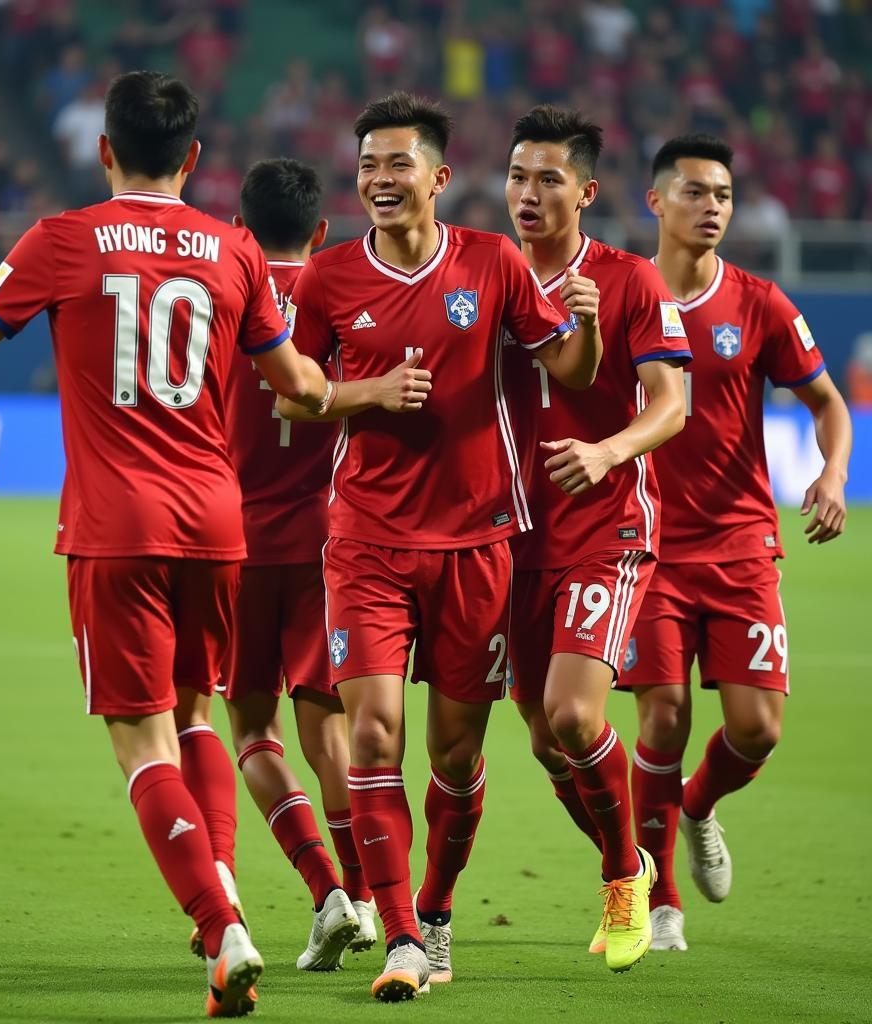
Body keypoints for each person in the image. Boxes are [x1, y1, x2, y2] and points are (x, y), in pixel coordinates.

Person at [0, 71, 337, 1019]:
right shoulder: (233, 248)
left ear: (104, 149)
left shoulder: (61, 239)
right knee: (198, 714)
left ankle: (221, 925)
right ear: (194, 159)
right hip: (216, 520)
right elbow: (298, 382)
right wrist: (337, 387)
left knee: (139, 737)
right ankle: (228, 898)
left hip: (117, 525)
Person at [277, 91, 600, 1001]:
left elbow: (569, 367)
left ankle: (440, 906)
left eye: (397, 165)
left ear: (438, 178)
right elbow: (294, 393)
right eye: (368, 165)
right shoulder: (329, 280)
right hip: (365, 541)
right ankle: (404, 939)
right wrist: (366, 395)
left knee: (455, 755)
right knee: (373, 733)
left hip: (475, 542)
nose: (380, 179)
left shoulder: (494, 262)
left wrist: (589, 321)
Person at [621, 133, 852, 951]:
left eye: (722, 194)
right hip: (645, 545)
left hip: (741, 543)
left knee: (758, 730)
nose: (712, 206)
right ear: (656, 202)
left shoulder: (758, 302)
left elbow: (828, 404)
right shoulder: (619, 294)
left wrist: (830, 476)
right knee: (665, 717)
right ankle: (659, 900)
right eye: (695, 192)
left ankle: (696, 806)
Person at [502, 106, 690, 973]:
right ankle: (632, 861)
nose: (528, 194)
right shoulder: (487, 276)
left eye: (547, 179)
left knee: (577, 715)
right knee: (544, 736)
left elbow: (671, 402)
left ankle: (625, 881)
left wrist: (609, 451)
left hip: (605, 526)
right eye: (517, 176)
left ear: (586, 190)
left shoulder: (627, 280)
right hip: (508, 536)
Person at [223, 157, 376, 969]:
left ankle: (328, 892)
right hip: (329, 539)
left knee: (252, 727)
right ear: (321, 231)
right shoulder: (343, 294)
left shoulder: (222, 294)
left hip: (233, 541)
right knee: (331, 733)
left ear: (240, 227)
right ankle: (374, 893)